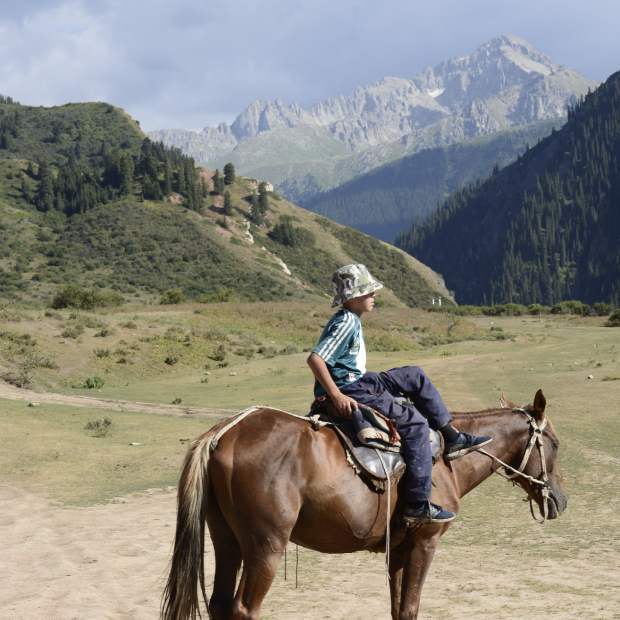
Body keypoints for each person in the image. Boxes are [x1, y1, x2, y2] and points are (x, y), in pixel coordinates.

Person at [307, 264, 493, 525]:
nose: (373, 296)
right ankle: (417, 504)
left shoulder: (350, 318)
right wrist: (337, 396)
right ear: (352, 297)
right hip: (350, 387)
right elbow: (316, 359)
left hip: (358, 378)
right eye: (368, 291)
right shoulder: (346, 321)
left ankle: (451, 437)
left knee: (414, 375)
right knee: (415, 425)